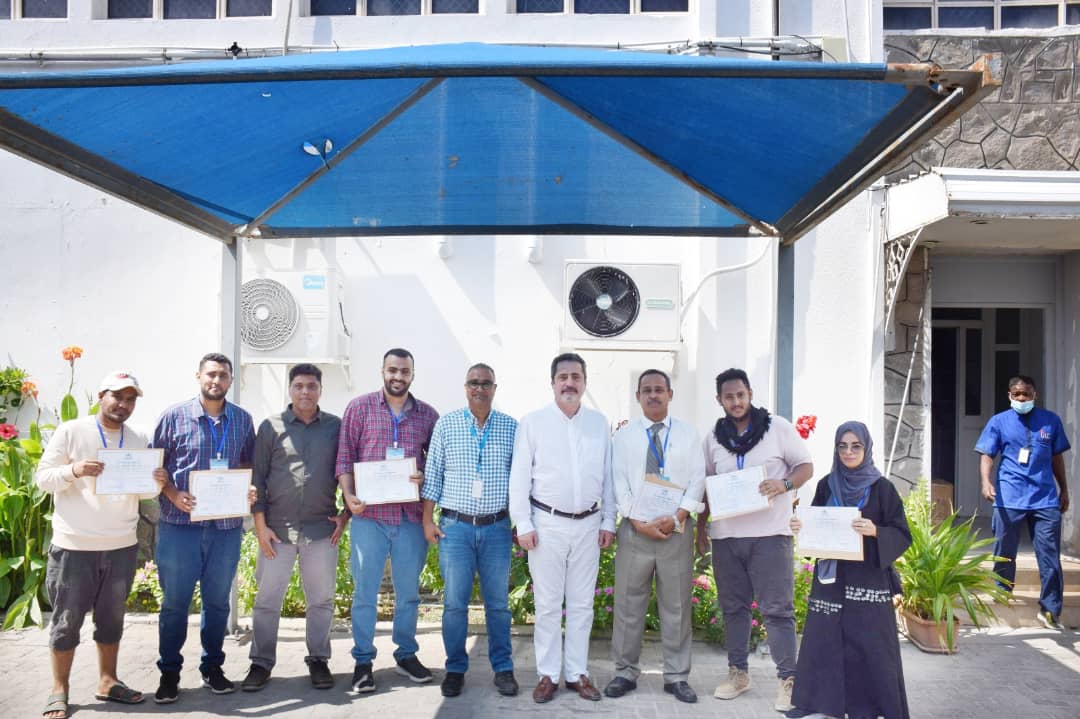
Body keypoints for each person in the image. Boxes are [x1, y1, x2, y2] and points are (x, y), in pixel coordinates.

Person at [36, 372, 168, 719]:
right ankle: (59, 689)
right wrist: (75, 470)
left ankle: (108, 681)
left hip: (121, 545)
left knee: (111, 618)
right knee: (66, 621)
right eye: (117, 396)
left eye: (130, 399)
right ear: (100, 396)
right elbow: (43, 479)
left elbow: (144, 492)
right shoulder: (71, 431)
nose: (123, 404)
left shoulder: (138, 438)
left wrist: (156, 482)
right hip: (74, 546)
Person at [695, 368, 813, 713]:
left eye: (740, 395)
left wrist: (784, 485)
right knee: (734, 608)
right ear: (719, 400)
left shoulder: (777, 428)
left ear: (750, 393)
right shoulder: (713, 438)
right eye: (728, 397)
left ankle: (788, 679)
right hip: (727, 537)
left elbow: (805, 466)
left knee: (777, 610)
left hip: (770, 536)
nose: (736, 402)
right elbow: (706, 485)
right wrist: (701, 528)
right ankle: (738, 674)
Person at [509, 352, 616, 704]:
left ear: (584, 382)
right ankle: (548, 674)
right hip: (547, 525)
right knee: (548, 605)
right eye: (563, 377)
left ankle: (576, 673)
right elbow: (519, 477)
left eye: (576, 377)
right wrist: (523, 523)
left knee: (583, 604)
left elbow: (608, 477)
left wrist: (608, 519)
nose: (569, 383)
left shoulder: (599, 423)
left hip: (589, 526)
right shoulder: (533, 422)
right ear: (552, 382)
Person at [786, 421, 911, 719]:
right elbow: (816, 522)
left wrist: (876, 531)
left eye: (856, 446)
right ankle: (820, 703)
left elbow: (902, 534)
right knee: (825, 639)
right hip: (832, 579)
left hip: (868, 578)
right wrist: (801, 526)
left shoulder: (882, 489)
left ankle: (867, 708)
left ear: (866, 449)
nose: (848, 452)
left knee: (870, 644)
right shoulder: (827, 485)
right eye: (842, 446)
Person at [152, 353, 256, 704]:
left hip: (225, 528)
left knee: (217, 602)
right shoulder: (173, 417)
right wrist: (171, 492)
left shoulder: (242, 420)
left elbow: (247, 462)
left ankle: (213, 667)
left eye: (223, 375)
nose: (216, 380)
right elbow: (155, 468)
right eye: (211, 374)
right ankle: (169, 672)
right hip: (180, 526)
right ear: (198, 376)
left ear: (231, 380)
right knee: (175, 603)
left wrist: (248, 489)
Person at [336, 348, 439, 693]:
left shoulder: (427, 415)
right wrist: (348, 496)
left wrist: (424, 477)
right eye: (392, 370)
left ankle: (406, 655)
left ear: (412, 374)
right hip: (370, 518)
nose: (398, 376)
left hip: (410, 519)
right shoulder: (359, 408)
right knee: (365, 593)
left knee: (408, 594)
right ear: (382, 371)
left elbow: (436, 464)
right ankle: (363, 661)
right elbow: (345, 458)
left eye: (404, 371)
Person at [241, 364, 347, 692]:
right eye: (299, 385)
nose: (305, 392)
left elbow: (349, 471)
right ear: (290, 389)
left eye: (311, 386)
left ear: (320, 390)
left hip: (321, 529)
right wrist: (260, 527)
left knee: (321, 600)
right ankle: (261, 663)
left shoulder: (336, 427)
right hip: (277, 530)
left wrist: (345, 516)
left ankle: (318, 659)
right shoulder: (270, 427)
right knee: (267, 600)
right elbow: (257, 478)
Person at [605, 369, 706, 704]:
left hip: (674, 530)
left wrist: (679, 516)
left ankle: (676, 676)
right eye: (646, 390)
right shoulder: (624, 437)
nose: (653, 395)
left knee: (676, 606)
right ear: (638, 396)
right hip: (635, 531)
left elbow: (697, 479)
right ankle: (624, 672)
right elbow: (618, 481)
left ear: (670, 394)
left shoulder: (688, 434)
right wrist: (636, 521)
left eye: (659, 389)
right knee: (628, 604)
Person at [421, 363, 519, 698]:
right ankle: (455, 669)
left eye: (486, 383)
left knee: (498, 605)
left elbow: (520, 480)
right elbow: (433, 475)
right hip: (456, 529)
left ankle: (503, 668)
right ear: (465, 387)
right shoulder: (446, 425)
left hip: (496, 528)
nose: (479, 388)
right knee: (454, 604)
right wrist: (427, 520)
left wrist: (520, 523)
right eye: (473, 383)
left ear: (495, 388)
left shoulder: (511, 427)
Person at [975, 374, 1071, 630]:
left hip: (1044, 498)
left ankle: (1050, 610)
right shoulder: (999, 422)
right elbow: (987, 454)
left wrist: (1064, 489)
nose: (1021, 398)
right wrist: (986, 482)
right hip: (1009, 497)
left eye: (1025, 394)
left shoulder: (1050, 421)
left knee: (1049, 557)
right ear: (1009, 396)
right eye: (1016, 394)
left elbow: (1057, 458)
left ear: (1034, 395)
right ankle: (1002, 591)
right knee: (1004, 551)